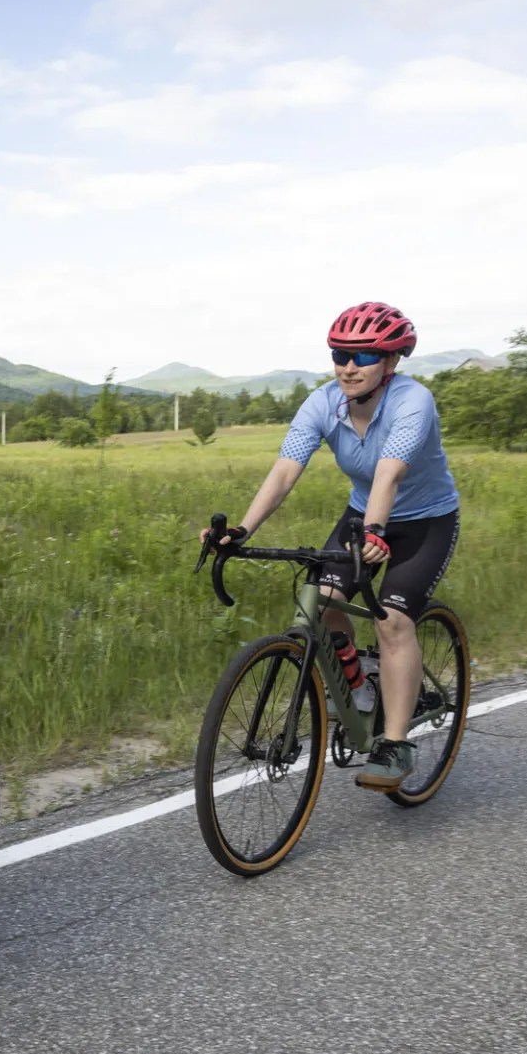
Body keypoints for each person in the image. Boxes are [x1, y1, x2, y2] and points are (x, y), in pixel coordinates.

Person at [200, 301, 460, 790]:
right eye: (340, 354)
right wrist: (242, 530)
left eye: (362, 357)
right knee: (320, 601)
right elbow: (285, 471)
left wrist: (377, 533)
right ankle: (360, 686)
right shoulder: (322, 402)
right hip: (364, 516)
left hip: (425, 521)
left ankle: (395, 742)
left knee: (395, 620)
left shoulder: (412, 401)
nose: (347, 366)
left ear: (391, 361)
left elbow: (390, 472)